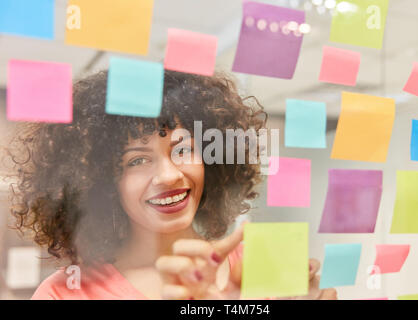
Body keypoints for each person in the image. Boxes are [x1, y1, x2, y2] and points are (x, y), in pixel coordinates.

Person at [5, 70, 337, 300]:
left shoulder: (270, 263)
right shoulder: (66, 292)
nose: (168, 175)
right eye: (136, 160)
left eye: (182, 149)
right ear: (101, 183)